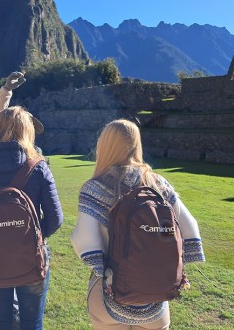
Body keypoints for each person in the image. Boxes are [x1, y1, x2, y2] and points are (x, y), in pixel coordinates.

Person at [71, 119, 205, 330]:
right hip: (154, 297)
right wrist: (169, 267)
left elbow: (82, 239)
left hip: (107, 296)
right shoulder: (158, 183)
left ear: (103, 146)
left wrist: (103, 271)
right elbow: (190, 229)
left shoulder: (94, 188)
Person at [0, 106, 63, 330]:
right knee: (32, 323)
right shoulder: (38, 167)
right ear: (28, 132)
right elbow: (55, 218)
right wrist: (34, 236)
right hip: (32, 257)